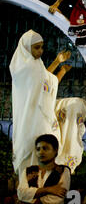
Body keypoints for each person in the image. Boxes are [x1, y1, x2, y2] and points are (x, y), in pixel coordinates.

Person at [9, 30, 71, 177]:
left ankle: (43, 188)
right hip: (30, 118)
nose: (40, 51)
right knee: (31, 151)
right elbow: (45, 82)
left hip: (40, 117)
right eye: (36, 47)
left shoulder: (36, 64)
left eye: (42, 47)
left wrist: (58, 64)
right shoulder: (24, 67)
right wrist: (59, 68)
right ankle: (28, 190)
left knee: (44, 151)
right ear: (26, 47)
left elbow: (44, 81)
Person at [17, 134, 70, 204]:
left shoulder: (63, 171)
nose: (41, 152)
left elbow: (56, 197)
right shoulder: (28, 171)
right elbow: (21, 193)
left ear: (55, 151)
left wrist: (28, 202)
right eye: (38, 149)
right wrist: (48, 189)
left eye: (45, 148)